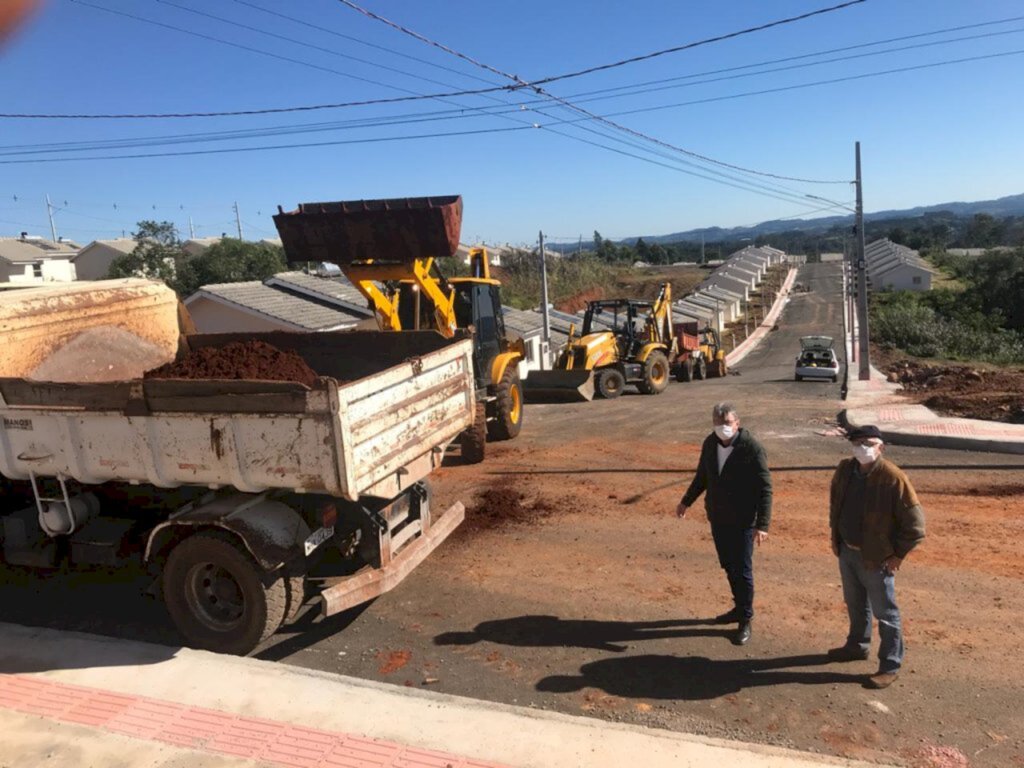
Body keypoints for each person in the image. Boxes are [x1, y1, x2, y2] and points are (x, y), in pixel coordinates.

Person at [828, 425, 925, 689]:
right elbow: (835, 503)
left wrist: (898, 556)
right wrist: (836, 539)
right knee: (855, 603)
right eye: (857, 442)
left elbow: (915, 526)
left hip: (877, 558)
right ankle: (857, 646)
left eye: (869, 443)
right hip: (848, 551)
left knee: (886, 613)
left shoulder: (893, 478)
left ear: (880, 447)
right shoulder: (845, 470)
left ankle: (890, 665)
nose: (862, 448)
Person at [676, 402, 772, 645]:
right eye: (718, 423)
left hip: (742, 520)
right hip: (718, 517)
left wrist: (763, 524)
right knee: (728, 565)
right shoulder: (710, 443)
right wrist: (686, 501)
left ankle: (746, 619)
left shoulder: (752, 448)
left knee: (742, 569)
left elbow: (765, 488)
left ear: (737, 423)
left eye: (727, 423)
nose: (722, 428)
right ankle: (738, 608)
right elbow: (702, 477)